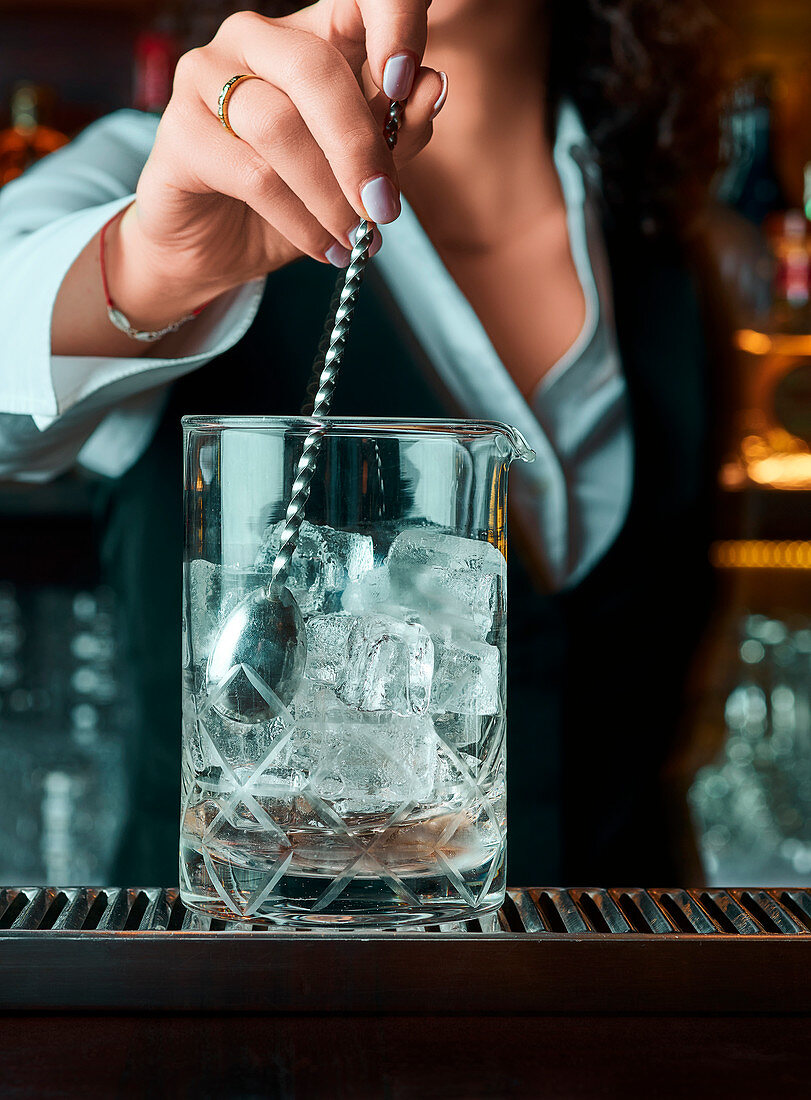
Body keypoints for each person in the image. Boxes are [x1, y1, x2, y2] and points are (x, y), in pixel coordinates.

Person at [0, 0, 722, 887]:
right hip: (230, 998)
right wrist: (153, 266)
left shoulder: (680, 238)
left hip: (640, 996)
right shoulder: (153, 168)